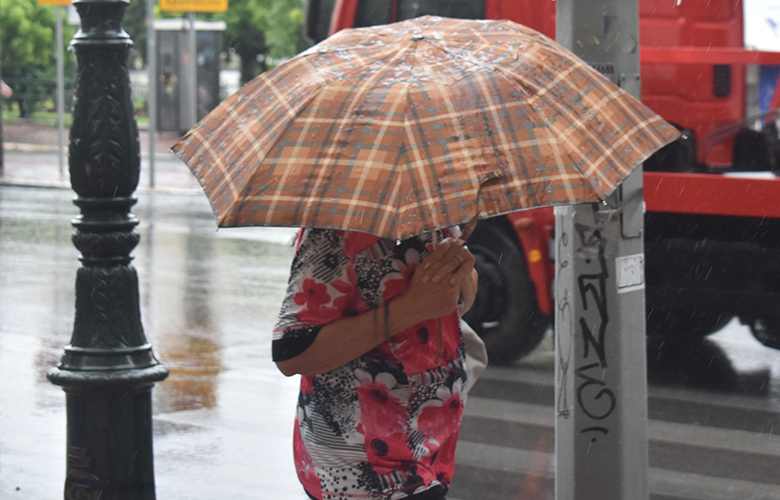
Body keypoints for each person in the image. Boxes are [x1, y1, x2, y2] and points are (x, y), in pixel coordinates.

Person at [273, 226, 478, 500]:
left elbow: (454, 304)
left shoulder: (434, 216)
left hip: (429, 451)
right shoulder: (338, 227)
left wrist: (461, 274)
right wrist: (411, 307)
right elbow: (291, 351)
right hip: (366, 470)